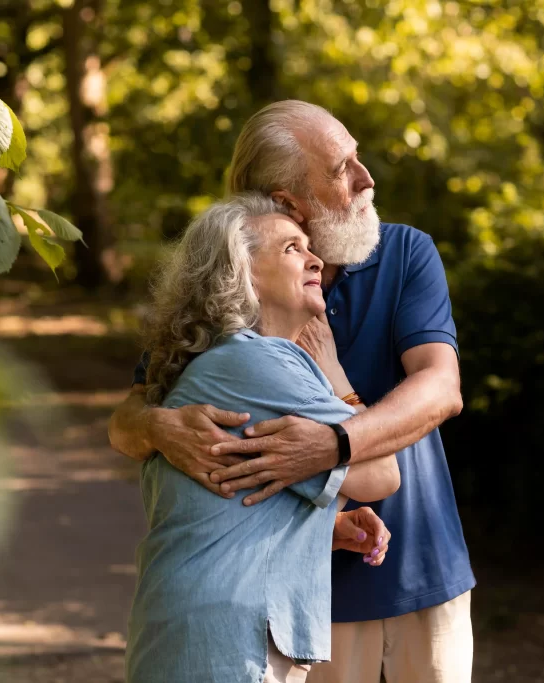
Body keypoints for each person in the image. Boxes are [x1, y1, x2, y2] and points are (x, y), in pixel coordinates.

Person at [110, 100, 474, 683]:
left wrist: (332, 445)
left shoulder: (404, 253)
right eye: (341, 167)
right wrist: (155, 427)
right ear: (286, 202)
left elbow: (441, 388)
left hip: (420, 565)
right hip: (299, 594)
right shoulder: (229, 302)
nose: (366, 178)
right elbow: (135, 413)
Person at [126, 194, 400, 683]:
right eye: (293, 248)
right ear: (242, 271)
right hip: (228, 646)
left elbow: (226, 510)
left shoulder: (219, 364)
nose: (317, 258)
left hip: (200, 637)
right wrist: (337, 377)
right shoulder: (260, 362)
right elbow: (382, 473)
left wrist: (320, 527)